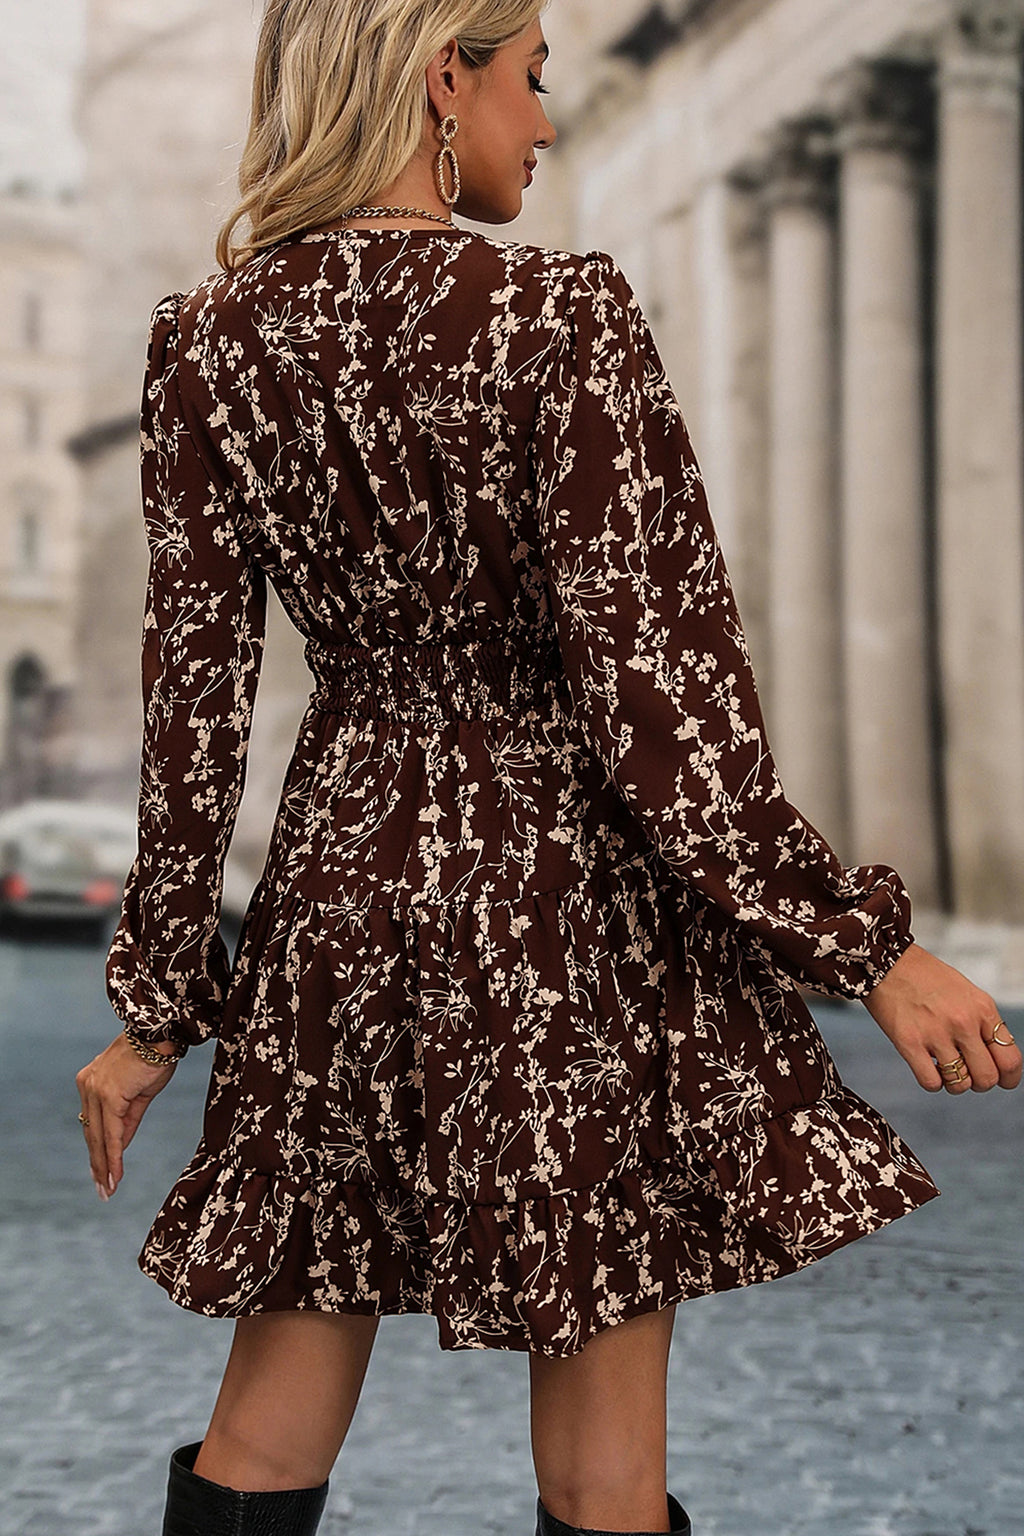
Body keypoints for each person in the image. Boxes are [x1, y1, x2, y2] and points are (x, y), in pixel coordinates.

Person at [74, 2, 1021, 1533]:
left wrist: (156, 1013)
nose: (548, 121)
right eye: (531, 78)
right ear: (440, 78)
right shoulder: (558, 312)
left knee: (269, 1416)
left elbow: (194, 706)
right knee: (602, 1470)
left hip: (342, 890)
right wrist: (867, 948)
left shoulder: (210, 340)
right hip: (560, 901)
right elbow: (661, 689)